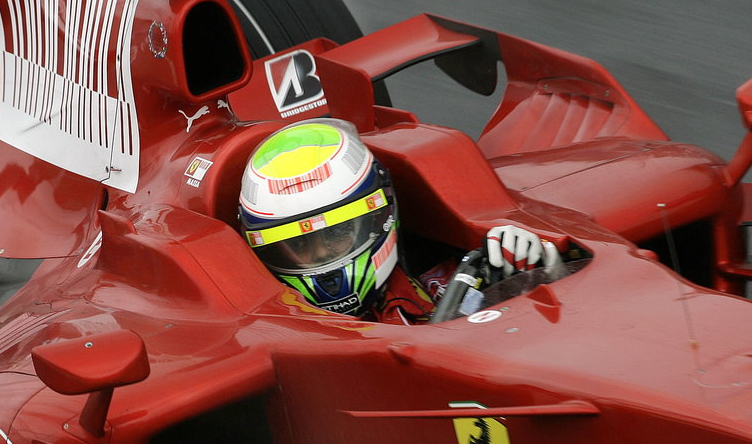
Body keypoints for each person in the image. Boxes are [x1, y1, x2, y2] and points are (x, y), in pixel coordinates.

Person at [237, 118, 558, 323]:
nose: (322, 254)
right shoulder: (269, 325)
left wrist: (539, 272)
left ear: (379, 217)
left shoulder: (440, 278)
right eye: (299, 243)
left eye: (337, 232)